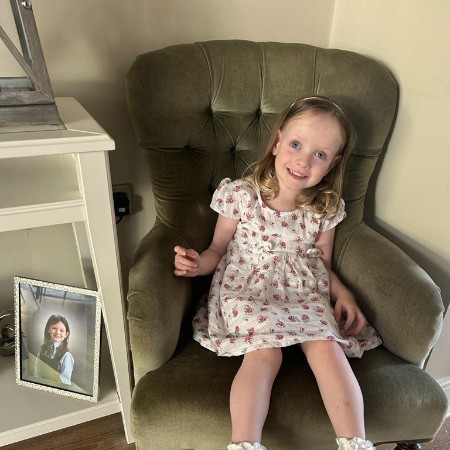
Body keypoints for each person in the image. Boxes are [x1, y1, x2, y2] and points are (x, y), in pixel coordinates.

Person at [174, 96, 381, 450]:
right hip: (247, 289)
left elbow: (323, 265)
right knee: (265, 352)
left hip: (303, 291)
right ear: (277, 142)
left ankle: (356, 442)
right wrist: (196, 264)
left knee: (326, 346)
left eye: (319, 154)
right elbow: (217, 250)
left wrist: (344, 294)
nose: (303, 160)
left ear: (333, 163)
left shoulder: (324, 208)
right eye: (296, 145)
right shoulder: (242, 195)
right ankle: (245, 444)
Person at [34, 314, 74, 385]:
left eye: (62, 330)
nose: (57, 332)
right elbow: (37, 373)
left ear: (66, 334)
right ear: (48, 329)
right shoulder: (41, 351)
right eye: (54, 328)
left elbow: (65, 382)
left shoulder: (67, 356)